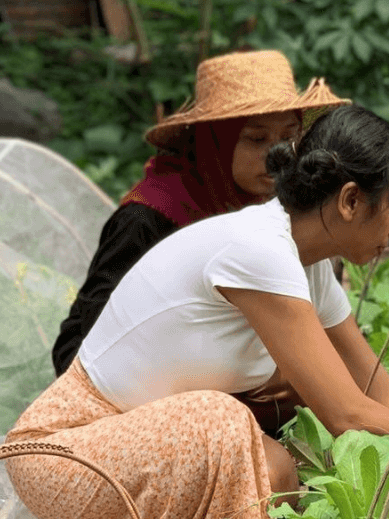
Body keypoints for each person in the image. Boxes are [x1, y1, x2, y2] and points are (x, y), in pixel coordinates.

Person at [6, 105, 389, 519]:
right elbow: (348, 415)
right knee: (221, 421)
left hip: (132, 450)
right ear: (351, 200)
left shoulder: (309, 267)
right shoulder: (258, 247)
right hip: (66, 450)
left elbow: (387, 399)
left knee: (276, 471)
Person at [51, 49, 348, 385]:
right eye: (257, 139)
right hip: (135, 394)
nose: (278, 154)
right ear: (215, 143)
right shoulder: (149, 218)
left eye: (289, 137)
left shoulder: (284, 213)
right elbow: (89, 343)